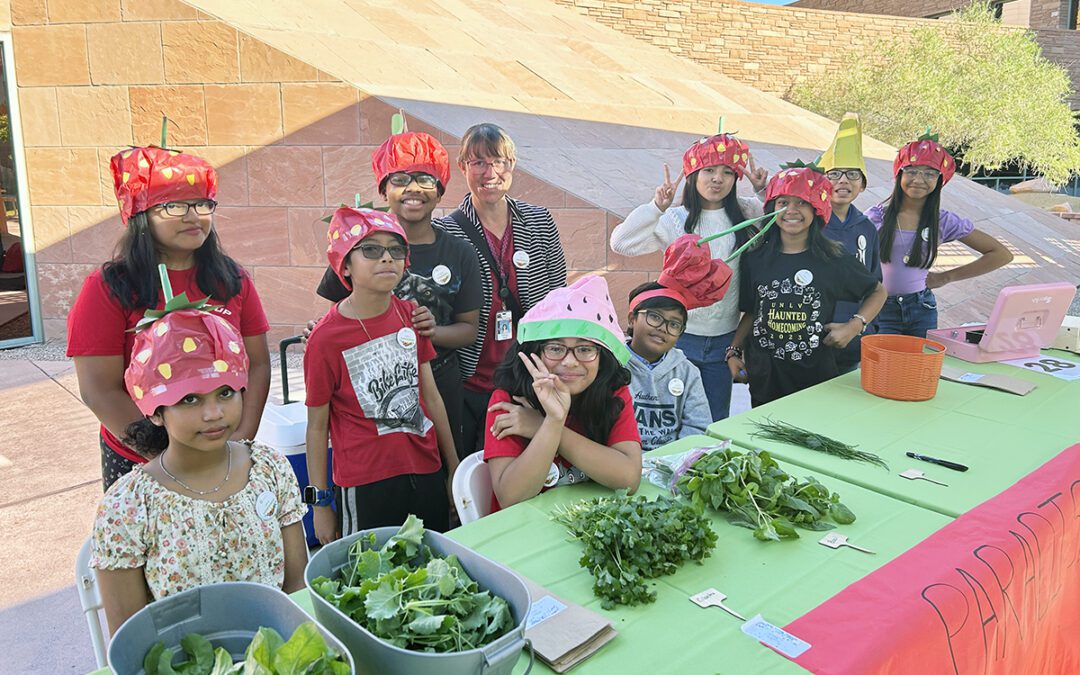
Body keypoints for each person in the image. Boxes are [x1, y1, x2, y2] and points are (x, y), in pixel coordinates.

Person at [90, 301, 306, 633]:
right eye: (190, 399)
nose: (214, 413)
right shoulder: (129, 506)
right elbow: (131, 639)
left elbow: (296, 591)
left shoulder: (270, 469)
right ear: (154, 410)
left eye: (225, 393)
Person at [67, 146, 270, 491]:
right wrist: (171, 457)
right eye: (174, 205)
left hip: (223, 452)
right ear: (141, 215)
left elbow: (258, 364)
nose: (193, 216)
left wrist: (237, 442)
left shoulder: (232, 280)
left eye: (202, 203)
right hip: (143, 457)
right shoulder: (108, 288)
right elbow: (100, 389)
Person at [315, 131, 482, 455]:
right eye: (401, 179)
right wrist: (319, 330)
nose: (413, 188)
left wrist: (431, 332)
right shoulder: (357, 246)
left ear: (440, 190)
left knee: (442, 470)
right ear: (384, 189)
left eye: (425, 179)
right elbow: (336, 315)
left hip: (441, 385)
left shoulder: (460, 252)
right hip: (371, 390)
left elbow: (469, 331)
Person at [304, 207, 459, 541]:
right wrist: (320, 503)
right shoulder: (325, 339)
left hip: (425, 469)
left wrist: (453, 467)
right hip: (366, 483)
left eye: (396, 250)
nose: (387, 258)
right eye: (371, 250)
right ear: (345, 264)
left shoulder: (410, 315)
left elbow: (430, 395)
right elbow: (317, 426)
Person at [610, 133, 769, 421]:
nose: (717, 179)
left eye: (726, 172)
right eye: (708, 170)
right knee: (668, 415)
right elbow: (622, 243)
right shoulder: (673, 219)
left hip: (724, 341)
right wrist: (655, 207)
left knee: (713, 418)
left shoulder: (748, 212)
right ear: (693, 175)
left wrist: (763, 191)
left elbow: (784, 218)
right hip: (677, 337)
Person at [441, 123, 567, 459]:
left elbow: (559, 298)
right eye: (478, 162)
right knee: (472, 471)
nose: (490, 172)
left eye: (499, 161)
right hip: (469, 380)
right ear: (462, 167)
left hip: (528, 378)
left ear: (512, 165)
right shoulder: (446, 232)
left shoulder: (540, 221)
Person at [727, 161, 887, 408]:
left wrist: (854, 326)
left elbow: (877, 290)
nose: (791, 210)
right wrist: (734, 351)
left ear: (817, 208)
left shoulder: (833, 259)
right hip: (764, 376)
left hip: (815, 377)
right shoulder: (755, 257)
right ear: (771, 208)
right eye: (783, 203)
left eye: (802, 202)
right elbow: (752, 310)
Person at [483, 275, 642, 511]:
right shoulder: (507, 400)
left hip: (590, 524)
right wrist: (553, 421)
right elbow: (511, 498)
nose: (569, 362)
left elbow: (629, 479)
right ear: (533, 351)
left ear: (602, 356)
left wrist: (543, 426)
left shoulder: (613, 393)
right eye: (556, 348)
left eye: (585, 349)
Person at [866, 131, 1012, 337]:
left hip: (921, 311)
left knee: (920, 367)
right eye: (912, 171)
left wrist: (947, 277)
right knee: (885, 367)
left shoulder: (942, 221)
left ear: (940, 180)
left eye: (929, 173)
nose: (919, 179)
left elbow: (1001, 254)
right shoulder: (876, 216)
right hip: (880, 309)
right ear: (899, 173)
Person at [819, 113, 882, 372]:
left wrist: (857, 326)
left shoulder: (866, 227)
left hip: (851, 337)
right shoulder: (808, 224)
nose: (843, 180)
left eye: (853, 174)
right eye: (834, 174)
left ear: (863, 185)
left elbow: (875, 285)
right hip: (809, 335)